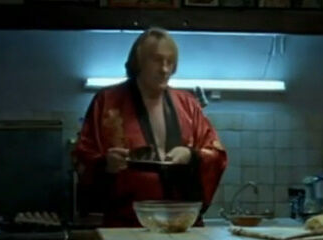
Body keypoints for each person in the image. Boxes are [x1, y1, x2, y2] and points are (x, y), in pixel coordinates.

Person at [74, 27, 227, 226]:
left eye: (170, 62)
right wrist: (106, 164)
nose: (164, 69)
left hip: (183, 222)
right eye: (157, 60)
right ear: (139, 62)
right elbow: (83, 156)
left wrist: (191, 156)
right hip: (126, 223)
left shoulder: (188, 105)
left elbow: (216, 154)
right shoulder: (107, 102)